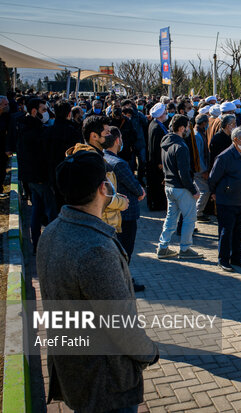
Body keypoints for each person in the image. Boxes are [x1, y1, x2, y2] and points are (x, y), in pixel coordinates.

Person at [37, 150, 158, 412]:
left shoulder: (52, 231)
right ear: (103, 188)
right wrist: (149, 352)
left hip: (76, 370)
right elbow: (120, 324)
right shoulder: (94, 249)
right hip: (105, 379)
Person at [157, 114, 203, 259]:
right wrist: (194, 190)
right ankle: (185, 248)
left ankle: (163, 246)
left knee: (171, 218)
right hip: (181, 188)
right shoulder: (181, 146)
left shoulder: (165, 142)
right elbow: (183, 173)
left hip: (169, 186)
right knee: (189, 218)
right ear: (182, 128)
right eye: (187, 126)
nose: (189, 129)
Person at [209, 127, 241, 272]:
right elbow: (213, 178)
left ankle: (236, 258)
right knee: (226, 232)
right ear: (236, 140)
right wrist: (214, 193)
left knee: (239, 231)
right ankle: (223, 260)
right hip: (227, 201)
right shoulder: (224, 157)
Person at [18, 98, 57, 253]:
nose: (46, 113)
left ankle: (37, 244)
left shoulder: (22, 125)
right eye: (43, 110)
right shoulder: (35, 130)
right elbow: (41, 156)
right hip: (40, 177)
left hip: (30, 177)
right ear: (34, 111)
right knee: (50, 212)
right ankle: (50, 245)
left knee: (36, 209)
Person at [103, 126, 146, 263]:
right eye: (121, 138)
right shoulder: (118, 163)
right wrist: (140, 192)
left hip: (113, 213)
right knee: (125, 250)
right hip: (125, 214)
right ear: (117, 140)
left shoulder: (104, 157)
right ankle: (124, 281)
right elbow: (134, 185)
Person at [147, 102, 168, 211]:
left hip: (156, 161)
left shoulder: (156, 124)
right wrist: (159, 162)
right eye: (165, 113)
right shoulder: (156, 128)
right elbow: (156, 147)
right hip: (156, 162)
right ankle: (157, 204)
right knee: (157, 184)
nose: (166, 114)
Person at [190, 113, 211, 221]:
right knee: (205, 191)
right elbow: (198, 155)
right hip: (199, 170)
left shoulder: (199, 133)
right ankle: (198, 212)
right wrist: (203, 170)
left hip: (200, 169)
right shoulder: (198, 135)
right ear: (203, 123)